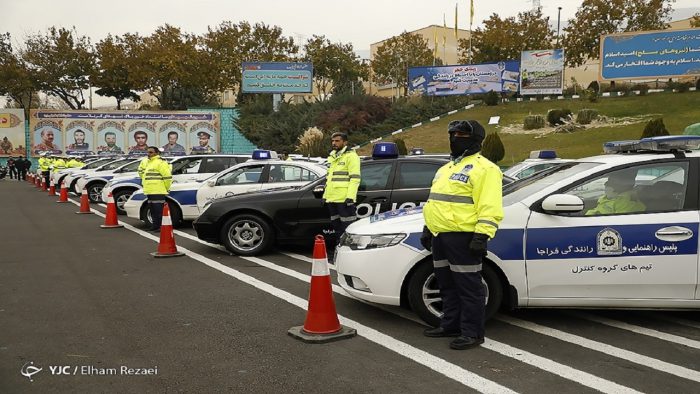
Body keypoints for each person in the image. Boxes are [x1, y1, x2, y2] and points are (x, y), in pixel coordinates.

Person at [420, 120, 503, 350]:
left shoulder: (486, 169)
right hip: (440, 236)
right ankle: (450, 325)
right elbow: (435, 202)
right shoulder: (446, 168)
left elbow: (490, 207)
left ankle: (472, 332)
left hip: (464, 238)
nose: (455, 137)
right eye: (452, 133)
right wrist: (428, 228)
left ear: (475, 139)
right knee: (447, 285)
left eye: (461, 134)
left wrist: (482, 236)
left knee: (469, 288)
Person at [322, 132, 361, 245]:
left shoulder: (351, 156)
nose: (334, 143)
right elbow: (329, 179)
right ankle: (339, 248)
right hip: (332, 199)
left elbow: (355, 178)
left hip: (344, 199)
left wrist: (350, 196)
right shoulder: (332, 156)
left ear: (345, 142)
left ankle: (348, 249)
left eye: (337, 141)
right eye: (333, 141)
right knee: (336, 227)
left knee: (348, 227)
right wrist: (325, 196)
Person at [138, 147, 173, 232]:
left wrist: (167, 188)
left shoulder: (161, 162)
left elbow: (167, 177)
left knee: (159, 210)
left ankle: (161, 226)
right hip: (149, 190)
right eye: (148, 152)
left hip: (158, 190)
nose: (148, 154)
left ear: (157, 153)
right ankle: (155, 226)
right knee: (152, 210)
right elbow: (140, 171)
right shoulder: (146, 161)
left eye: (151, 152)